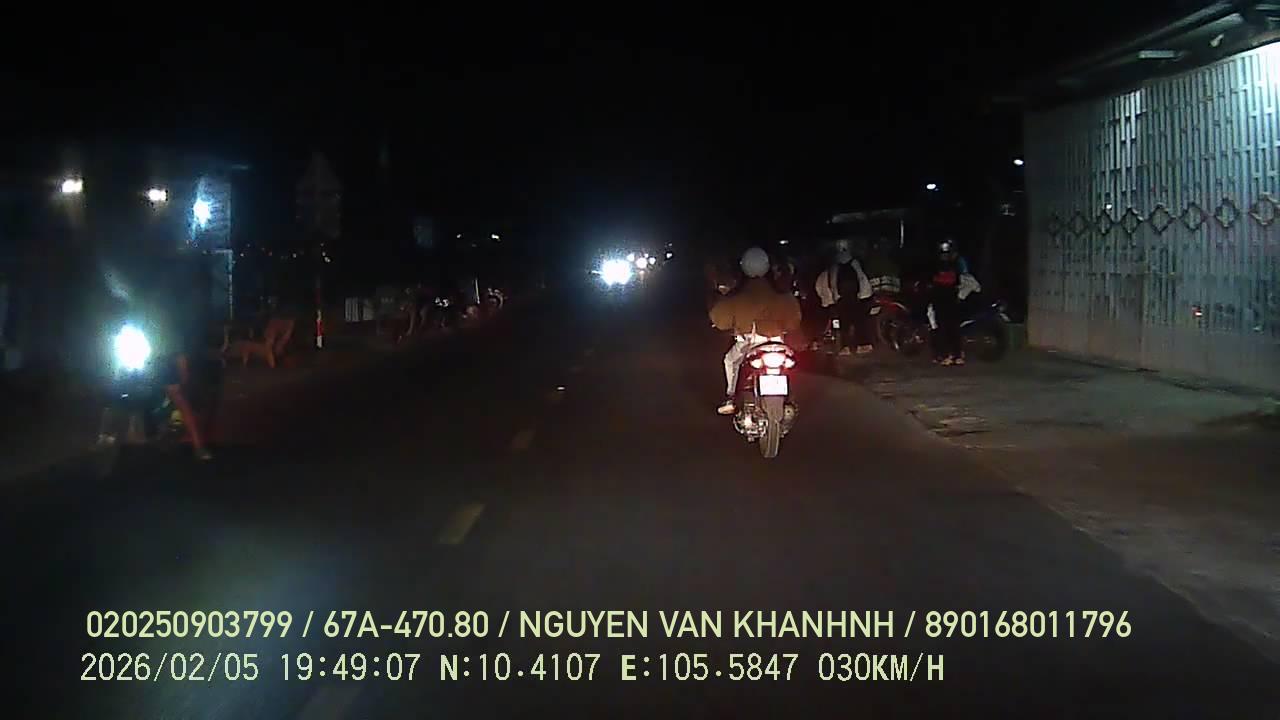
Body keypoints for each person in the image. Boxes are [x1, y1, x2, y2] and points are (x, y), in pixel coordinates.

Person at [709, 247, 803, 415]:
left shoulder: (738, 295)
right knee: (787, 365)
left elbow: (720, 319)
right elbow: (794, 321)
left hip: (749, 342)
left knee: (730, 361)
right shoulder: (781, 293)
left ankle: (731, 397)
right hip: (777, 343)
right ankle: (788, 399)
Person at [928, 238, 965, 366]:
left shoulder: (953, 265)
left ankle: (953, 354)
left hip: (947, 300)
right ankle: (951, 354)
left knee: (949, 327)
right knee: (947, 327)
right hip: (944, 301)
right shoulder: (937, 265)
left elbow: (954, 282)